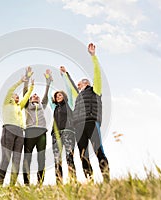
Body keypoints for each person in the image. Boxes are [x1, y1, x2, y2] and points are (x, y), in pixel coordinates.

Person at [63, 43, 110, 182]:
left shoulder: (95, 90)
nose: (77, 86)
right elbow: (71, 88)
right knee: (83, 154)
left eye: (79, 84)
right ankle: (90, 180)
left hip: (91, 122)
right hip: (79, 126)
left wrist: (93, 56)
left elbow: (97, 74)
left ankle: (107, 179)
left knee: (98, 151)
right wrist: (66, 75)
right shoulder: (78, 97)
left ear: (86, 83)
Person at [0, 75, 34, 186]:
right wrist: (20, 81)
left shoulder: (19, 106)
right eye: (15, 95)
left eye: (18, 96)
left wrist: (31, 87)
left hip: (20, 132)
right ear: (10, 97)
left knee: (16, 159)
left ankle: (12, 185)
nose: (17, 96)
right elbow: (10, 90)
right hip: (8, 129)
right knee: (6, 159)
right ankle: (0, 183)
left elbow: (26, 97)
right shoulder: (6, 104)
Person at [22, 67, 52, 186]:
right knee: (27, 158)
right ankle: (26, 183)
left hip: (41, 133)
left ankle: (40, 183)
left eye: (37, 95)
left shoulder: (42, 105)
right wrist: (27, 78)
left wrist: (48, 81)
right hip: (29, 132)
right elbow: (25, 92)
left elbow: (46, 93)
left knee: (41, 158)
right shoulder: (26, 105)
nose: (35, 95)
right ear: (29, 99)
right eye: (33, 95)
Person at [48, 69, 77, 185]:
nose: (58, 96)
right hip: (56, 135)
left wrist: (64, 75)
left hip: (69, 132)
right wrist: (50, 80)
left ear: (64, 96)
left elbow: (69, 89)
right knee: (57, 160)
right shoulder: (54, 107)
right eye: (57, 95)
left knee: (69, 158)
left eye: (60, 94)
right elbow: (50, 94)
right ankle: (59, 183)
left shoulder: (69, 104)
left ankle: (73, 181)